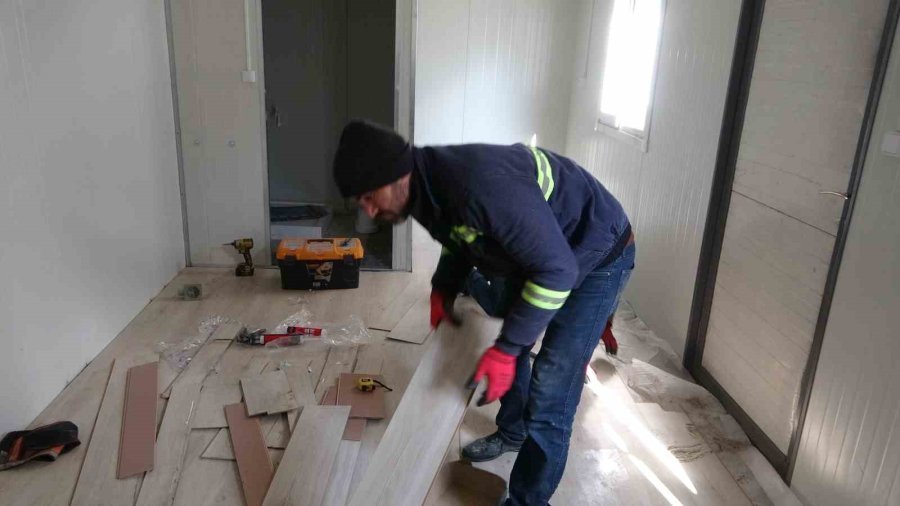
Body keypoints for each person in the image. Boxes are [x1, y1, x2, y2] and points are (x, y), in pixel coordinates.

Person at [332, 120, 635, 505]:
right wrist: (443, 286)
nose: (370, 210)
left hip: (597, 255)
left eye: (369, 196)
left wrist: (506, 349)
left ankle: (526, 500)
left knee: (551, 387)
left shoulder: (478, 187)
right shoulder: (423, 190)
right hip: (542, 251)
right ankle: (513, 432)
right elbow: (458, 237)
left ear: (397, 175)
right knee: (511, 336)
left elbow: (557, 272)